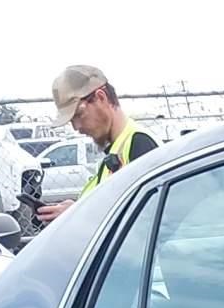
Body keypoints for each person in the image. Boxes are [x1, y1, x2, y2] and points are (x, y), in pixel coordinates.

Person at [35, 65, 157, 224]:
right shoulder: (117, 151)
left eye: (78, 115)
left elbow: (145, 218)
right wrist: (75, 209)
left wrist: (78, 215)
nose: (76, 127)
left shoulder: (139, 145)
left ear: (101, 98)